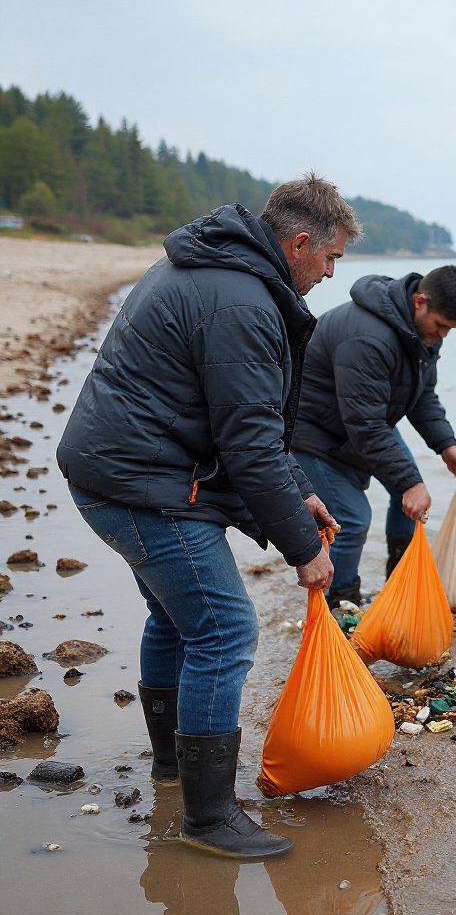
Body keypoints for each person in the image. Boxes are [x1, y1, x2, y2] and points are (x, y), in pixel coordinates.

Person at [56, 173, 361, 857]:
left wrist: (299, 491)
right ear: (303, 242)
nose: (331, 272)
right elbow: (247, 443)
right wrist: (302, 550)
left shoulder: (214, 270)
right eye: (331, 258)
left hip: (115, 472)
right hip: (141, 487)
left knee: (176, 618)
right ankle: (209, 819)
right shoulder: (243, 304)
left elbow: (247, 428)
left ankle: (173, 767)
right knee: (224, 630)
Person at [290, 265, 456, 605]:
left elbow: (422, 396)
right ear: (420, 301)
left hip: (361, 423)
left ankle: (400, 586)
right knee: (350, 520)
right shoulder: (368, 337)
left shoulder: (420, 334)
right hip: (313, 433)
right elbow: (365, 423)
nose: (443, 335)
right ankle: (340, 605)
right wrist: (408, 481)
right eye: (441, 326)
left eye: (451, 329)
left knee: (412, 497)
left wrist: (446, 445)